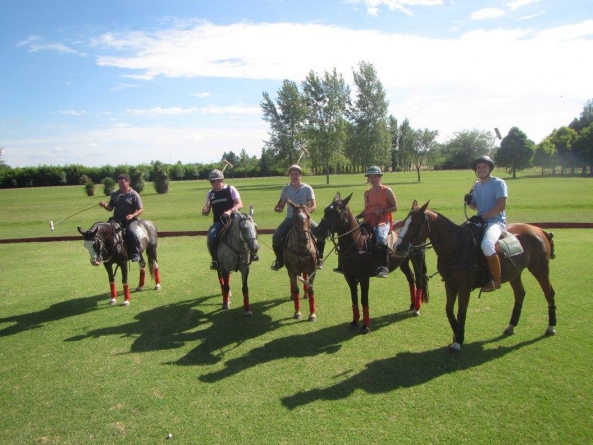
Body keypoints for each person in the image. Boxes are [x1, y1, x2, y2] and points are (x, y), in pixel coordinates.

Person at [464, 155, 508, 292]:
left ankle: (496, 280)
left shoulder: (498, 183)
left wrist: (481, 217)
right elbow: (475, 207)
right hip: (480, 221)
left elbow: (501, 206)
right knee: (461, 237)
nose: (481, 169)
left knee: (487, 245)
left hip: (495, 222)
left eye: (484, 166)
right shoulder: (477, 185)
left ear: (490, 168)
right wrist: (469, 201)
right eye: (479, 167)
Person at [270, 164, 325, 271]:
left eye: (296, 174)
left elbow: (313, 205)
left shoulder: (308, 188)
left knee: (321, 234)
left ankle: (319, 258)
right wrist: (277, 209)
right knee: (276, 236)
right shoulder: (285, 190)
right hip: (290, 219)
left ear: (300, 175)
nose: (294, 176)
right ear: (289, 176)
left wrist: (306, 213)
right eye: (292, 174)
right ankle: (279, 260)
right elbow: (280, 207)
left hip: (305, 220)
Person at [202, 169, 248, 270]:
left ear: (221, 180)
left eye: (214, 181)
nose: (212, 183)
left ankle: (252, 253)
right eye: (211, 181)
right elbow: (208, 209)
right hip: (218, 221)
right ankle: (214, 260)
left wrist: (230, 211)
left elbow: (240, 204)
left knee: (247, 231)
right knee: (211, 236)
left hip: (233, 219)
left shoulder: (231, 189)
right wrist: (205, 210)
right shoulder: (210, 194)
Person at [361, 166, 398, 278]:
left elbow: (395, 207)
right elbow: (367, 209)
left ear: (380, 177)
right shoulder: (366, 192)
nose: (373, 179)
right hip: (368, 221)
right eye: (371, 177)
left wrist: (382, 211)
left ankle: (383, 266)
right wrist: (357, 216)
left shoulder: (386, 190)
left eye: (375, 176)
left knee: (381, 239)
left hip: (382, 221)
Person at [99, 174, 143, 262]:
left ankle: (136, 253)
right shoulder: (115, 193)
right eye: (119, 183)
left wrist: (132, 215)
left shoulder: (134, 194)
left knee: (131, 232)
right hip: (116, 219)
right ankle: (106, 252)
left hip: (130, 220)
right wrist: (104, 206)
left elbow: (140, 209)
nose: (120, 185)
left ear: (128, 182)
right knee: (105, 230)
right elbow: (110, 208)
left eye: (122, 183)